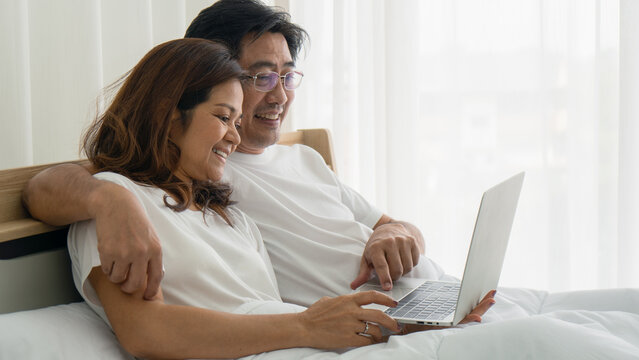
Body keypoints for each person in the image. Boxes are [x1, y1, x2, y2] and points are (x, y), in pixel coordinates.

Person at [68, 38, 494, 359]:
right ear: (166, 113)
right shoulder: (113, 203)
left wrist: (401, 327)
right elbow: (147, 333)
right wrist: (306, 327)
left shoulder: (229, 217)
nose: (234, 137)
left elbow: (267, 312)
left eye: (236, 120)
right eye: (222, 117)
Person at [24, 0, 441, 306]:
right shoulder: (201, 167)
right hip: (383, 319)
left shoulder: (303, 159)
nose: (280, 95)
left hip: (431, 293)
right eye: (261, 76)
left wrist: (396, 232)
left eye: (287, 75)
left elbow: (392, 223)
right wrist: (109, 199)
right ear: (208, 68)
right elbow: (49, 186)